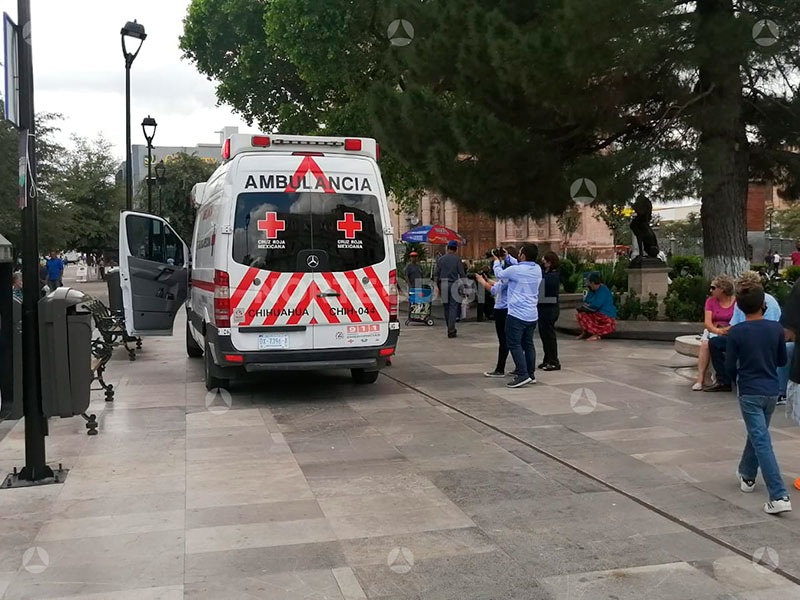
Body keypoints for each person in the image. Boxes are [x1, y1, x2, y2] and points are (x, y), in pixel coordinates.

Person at [725, 279, 792, 515]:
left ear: (739, 307)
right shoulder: (776, 329)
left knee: (761, 440)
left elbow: (729, 365)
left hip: (749, 390)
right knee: (758, 433)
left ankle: (779, 494)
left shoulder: (737, 332)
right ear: (764, 304)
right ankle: (747, 474)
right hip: (771, 390)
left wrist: (737, 378)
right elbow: (781, 360)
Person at [707, 271, 782, 393]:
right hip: (744, 335)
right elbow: (734, 325)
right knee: (715, 342)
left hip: (762, 339)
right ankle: (724, 381)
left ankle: (743, 378)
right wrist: (720, 330)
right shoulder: (740, 301)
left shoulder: (769, 301)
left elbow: (769, 328)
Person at [494, 244, 541, 388]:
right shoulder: (537, 269)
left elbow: (499, 274)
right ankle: (530, 374)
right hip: (532, 314)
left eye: (520, 253)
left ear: (523, 256)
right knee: (528, 344)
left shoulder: (515, 270)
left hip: (516, 314)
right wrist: (508, 257)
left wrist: (497, 261)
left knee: (514, 343)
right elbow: (519, 265)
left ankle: (522, 374)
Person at [475, 249, 518, 377]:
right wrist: (487, 280)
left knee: (504, 340)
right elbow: (499, 285)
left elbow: (494, 290)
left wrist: (482, 281)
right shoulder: (516, 275)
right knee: (514, 340)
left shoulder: (507, 275)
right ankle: (520, 367)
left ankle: (500, 369)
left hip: (502, 309)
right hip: (510, 309)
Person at [693, 275, 735, 391]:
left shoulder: (737, 302)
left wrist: (727, 330)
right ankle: (700, 379)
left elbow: (739, 320)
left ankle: (725, 378)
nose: (710, 290)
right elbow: (707, 322)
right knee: (706, 344)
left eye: (713, 287)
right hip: (714, 328)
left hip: (731, 330)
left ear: (722, 289)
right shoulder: (710, 301)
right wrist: (717, 331)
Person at [435, 240, 466, 338]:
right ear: (456, 249)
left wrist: (437, 287)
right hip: (454, 284)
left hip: (443, 284)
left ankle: (449, 326)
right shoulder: (457, 259)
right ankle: (451, 329)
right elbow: (462, 274)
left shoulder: (441, 259)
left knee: (446, 307)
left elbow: (437, 274)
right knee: (453, 307)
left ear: (447, 248)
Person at [575, 273, 617, 341]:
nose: (588, 285)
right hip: (594, 311)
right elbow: (586, 301)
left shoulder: (603, 289)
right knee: (580, 315)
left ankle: (596, 335)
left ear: (592, 282)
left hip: (606, 314)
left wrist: (588, 305)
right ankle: (586, 333)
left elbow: (596, 305)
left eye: (589, 283)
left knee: (599, 318)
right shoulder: (591, 290)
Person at [537, 251, 561, 371]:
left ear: (549, 263)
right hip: (543, 308)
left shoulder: (553, 275)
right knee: (544, 335)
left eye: (544, 262)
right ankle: (547, 359)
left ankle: (554, 361)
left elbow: (543, 281)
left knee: (549, 336)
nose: (543, 264)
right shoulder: (547, 274)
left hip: (550, 309)